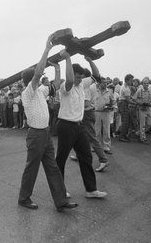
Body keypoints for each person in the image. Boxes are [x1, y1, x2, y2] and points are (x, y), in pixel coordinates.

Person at [18, 34, 78, 212]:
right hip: (36, 135)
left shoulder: (40, 91)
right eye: (40, 77)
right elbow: (37, 73)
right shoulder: (28, 92)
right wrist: (47, 49)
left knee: (52, 168)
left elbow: (56, 84)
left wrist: (57, 68)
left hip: (44, 133)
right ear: (32, 80)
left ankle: (61, 200)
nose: (43, 78)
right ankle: (24, 198)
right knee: (32, 169)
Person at [55, 49, 107, 199]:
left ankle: (91, 190)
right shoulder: (65, 87)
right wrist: (67, 58)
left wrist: (90, 60)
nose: (79, 80)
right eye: (77, 77)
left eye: (80, 77)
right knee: (61, 159)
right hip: (66, 126)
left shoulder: (81, 83)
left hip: (79, 126)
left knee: (86, 157)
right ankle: (60, 190)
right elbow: (70, 80)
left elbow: (97, 76)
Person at [94, 77, 115, 154]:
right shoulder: (94, 91)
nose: (105, 84)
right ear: (99, 83)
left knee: (106, 130)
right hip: (96, 112)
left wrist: (111, 107)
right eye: (103, 82)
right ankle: (97, 146)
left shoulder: (110, 92)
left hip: (106, 112)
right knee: (97, 130)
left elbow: (113, 102)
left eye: (106, 82)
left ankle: (106, 147)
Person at [134, 77, 151, 144]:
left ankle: (138, 133)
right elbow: (135, 99)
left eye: (147, 83)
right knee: (142, 124)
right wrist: (140, 103)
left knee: (149, 123)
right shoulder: (139, 91)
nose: (146, 84)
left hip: (148, 108)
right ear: (142, 84)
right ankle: (142, 138)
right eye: (144, 83)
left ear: (149, 84)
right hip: (142, 108)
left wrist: (150, 103)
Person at [118, 74, 134, 142]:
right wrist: (136, 103)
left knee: (125, 121)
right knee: (125, 121)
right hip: (124, 103)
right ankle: (122, 136)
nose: (132, 82)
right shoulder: (126, 88)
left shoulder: (124, 86)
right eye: (131, 80)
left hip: (122, 103)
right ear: (127, 80)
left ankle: (123, 135)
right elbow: (128, 100)